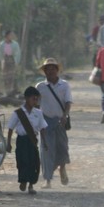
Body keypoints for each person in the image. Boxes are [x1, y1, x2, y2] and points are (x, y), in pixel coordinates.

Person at [36, 57, 72, 188]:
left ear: (57, 70)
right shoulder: (40, 87)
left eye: (53, 68)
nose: (50, 71)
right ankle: (48, 180)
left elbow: (68, 102)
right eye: (47, 69)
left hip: (60, 121)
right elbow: (35, 105)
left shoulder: (64, 85)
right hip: (45, 122)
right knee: (46, 150)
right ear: (44, 72)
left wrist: (65, 115)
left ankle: (62, 168)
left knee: (62, 148)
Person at [6, 86, 48, 195]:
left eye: (36, 99)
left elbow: (42, 128)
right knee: (22, 161)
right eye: (33, 99)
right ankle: (23, 181)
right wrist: (8, 143)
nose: (35, 101)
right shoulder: (18, 113)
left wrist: (45, 142)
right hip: (21, 140)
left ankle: (31, 185)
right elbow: (10, 128)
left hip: (32, 141)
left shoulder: (38, 113)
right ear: (26, 98)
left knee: (34, 163)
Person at [0, 30, 21, 95]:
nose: (11, 36)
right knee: (5, 76)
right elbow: (0, 53)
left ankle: (12, 91)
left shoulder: (15, 44)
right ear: (7, 36)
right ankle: (6, 91)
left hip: (12, 59)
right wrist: (2, 61)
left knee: (12, 76)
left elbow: (18, 53)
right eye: (10, 35)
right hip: (5, 60)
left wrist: (16, 62)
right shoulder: (2, 44)